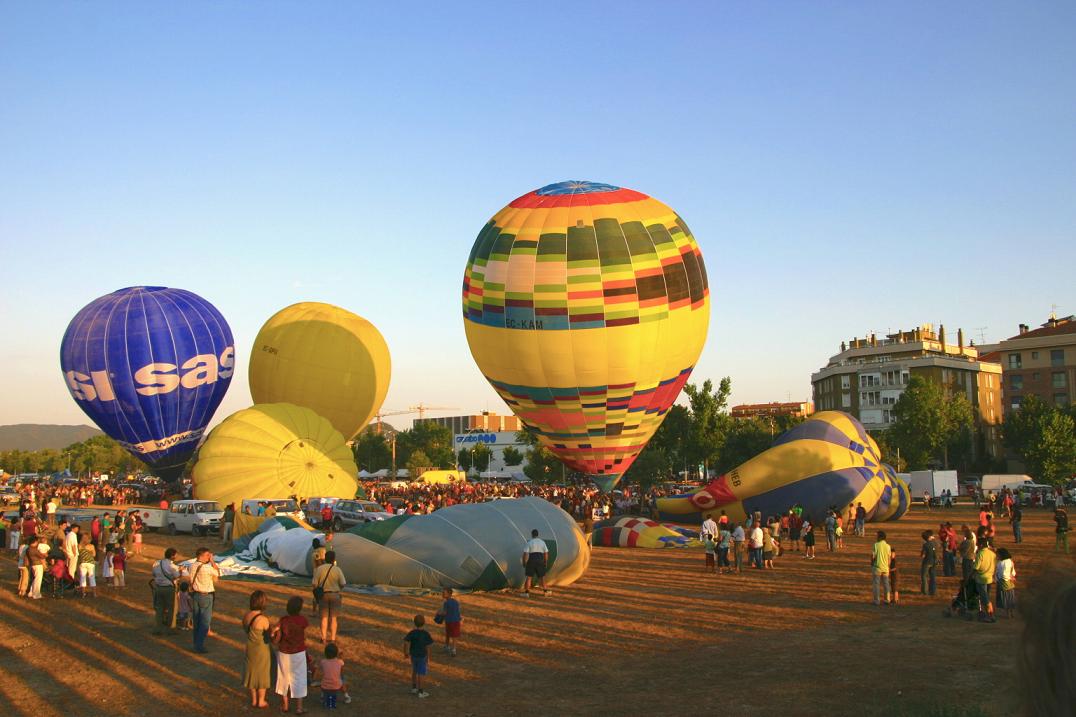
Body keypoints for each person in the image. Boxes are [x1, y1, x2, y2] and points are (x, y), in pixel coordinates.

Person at [274, 595, 309, 714]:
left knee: (283, 677)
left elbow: (277, 638)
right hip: (298, 652)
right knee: (299, 677)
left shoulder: (283, 621)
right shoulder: (303, 620)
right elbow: (304, 636)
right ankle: (299, 707)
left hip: (284, 652)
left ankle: (285, 705)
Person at [242, 590, 272, 709]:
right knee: (262, 675)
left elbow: (246, 629)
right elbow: (269, 635)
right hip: (261, 650)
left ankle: (254, 700)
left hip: (250, 648)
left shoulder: (246, 616)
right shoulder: (263, 619)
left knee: (252, 673)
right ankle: (261, 700)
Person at [189, 546, 221, 653]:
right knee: (205, 622)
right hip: (205, 595)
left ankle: (195, 643)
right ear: (201, 555)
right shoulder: (206, 567)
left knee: (197, 621)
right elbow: (217, 573)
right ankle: (199, 646)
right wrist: (212, 561)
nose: (209, 557)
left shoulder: (192, 565)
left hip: (196, 595)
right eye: (207, 555)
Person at [311, 550, 347, 643]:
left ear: (325, 559)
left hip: (323, 595)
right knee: (334, 618)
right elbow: (343, 583)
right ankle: (333, 638)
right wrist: (338, 588)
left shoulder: (319, 569)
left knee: (324, 618)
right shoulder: (337, 569)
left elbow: (314, 584)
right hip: (335, 595)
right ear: (334, 559)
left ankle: (323, 638)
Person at [151, 547, 182, 634]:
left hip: (158, 588)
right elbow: (176, 576)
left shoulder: (156, 563)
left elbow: (153, 574)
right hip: (169, 589)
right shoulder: (172, 566)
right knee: (170, 609)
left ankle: (158, 628)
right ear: (172, 556)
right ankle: (170, 628)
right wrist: (181, 571)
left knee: (159, 609)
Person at [403, 614, 434, 699]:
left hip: (413, 655)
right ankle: (421, 691)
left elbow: (406, 642)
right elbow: (428, 646)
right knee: (421, 673)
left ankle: (414, 688)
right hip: (422, 656)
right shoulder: (426, 634)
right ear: (424, 623)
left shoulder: (412, 633)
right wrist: (428, 657)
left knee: (414, 671)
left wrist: (406, 653)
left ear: (414, 623)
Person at [317, 642, 350, 709]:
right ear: (336, 654)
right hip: (336, 686)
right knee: (343, 680)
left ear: (325, 653)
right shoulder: (340, 662)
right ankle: (346, 696)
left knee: (324, 679)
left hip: (325, 686)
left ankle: (322, 696)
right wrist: (340, 657)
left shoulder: (323, 662)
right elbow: (341, 671)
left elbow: (320, 669)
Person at [972, 537, 997, 622]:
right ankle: (988, 614)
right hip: (989, 578)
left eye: (978, 544)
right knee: (986, 597)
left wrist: (970, 576)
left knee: (985, 599)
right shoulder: (993, 554)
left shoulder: (980, 554)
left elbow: (976, 567)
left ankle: (991, 615)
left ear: (981, 545)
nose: (977, 546)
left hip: (981, 579)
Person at [521, 529, 550, 596]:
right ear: (538, 534)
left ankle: (527, 593)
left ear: (532, 535)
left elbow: (525, 554)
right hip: (540, 560)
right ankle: (545, 591)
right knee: (542, 577)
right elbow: (546, 553)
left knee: (529, 577)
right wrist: (545, 561)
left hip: (531, 560)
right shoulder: (542, 542)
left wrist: (524, 562)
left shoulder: (529, 542)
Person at [435, 587, 462, 656]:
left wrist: (438, 614)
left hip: (450, 621)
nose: (442, 594)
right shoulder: (455, 602)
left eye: (444, 593)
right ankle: (451, 648)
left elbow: (444, 613)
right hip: (456, 620)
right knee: (453, 635)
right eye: (443, 593)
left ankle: (450, 648)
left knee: (450, 634)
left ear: (449, 594)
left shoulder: (446, 603)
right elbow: (458, 611)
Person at [871, 531, 892, 606]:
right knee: (886, 584)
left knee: (876, 584)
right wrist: (888, 567)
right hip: (885, 568)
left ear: (880, 537)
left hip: (877, 567)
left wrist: (872, 564)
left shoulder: (876, 545)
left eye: (877, 536)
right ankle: (887, 599)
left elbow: (873, 556)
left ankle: (876, 600)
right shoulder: (888, 546)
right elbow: (889, 558)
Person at [994, 547, 1016, 618]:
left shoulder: (1001, 563)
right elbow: (1013, 572)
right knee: (1010, 598)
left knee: (1005, 598)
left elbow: (1002, 574)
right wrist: (1011, 577)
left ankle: (1008, 614)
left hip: (1003, 583)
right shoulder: (1010, 561)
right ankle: (1011, 613)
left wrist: (997, 579)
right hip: (1010, 583)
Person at [77, 532, 97, 597]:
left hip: (82, 562)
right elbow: (94, 555)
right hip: (91, 563)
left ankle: (83, 593)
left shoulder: (79, 546)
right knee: (92, 578)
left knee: (82, 578)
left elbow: (78, 555)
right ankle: (94, 593)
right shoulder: (91, 546)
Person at [26, 535, 46, 599]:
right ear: (34, 542)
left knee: (35, 579)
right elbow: (42, 556)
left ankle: (31, 592)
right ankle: (36, 594)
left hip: (33, 564)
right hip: (38, 565)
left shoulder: (28, 549)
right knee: (38, 580)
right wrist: (45, 554)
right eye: (37, 542)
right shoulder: (34, 549)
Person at [919, 530, 937, 596]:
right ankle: (933, 591)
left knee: (924, 576)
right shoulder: (934, 543)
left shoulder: (925, 545)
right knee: (932, 576)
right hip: (934, 561)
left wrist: (921, 554)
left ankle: (925, 591)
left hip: (926, 562)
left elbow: (923, 555)